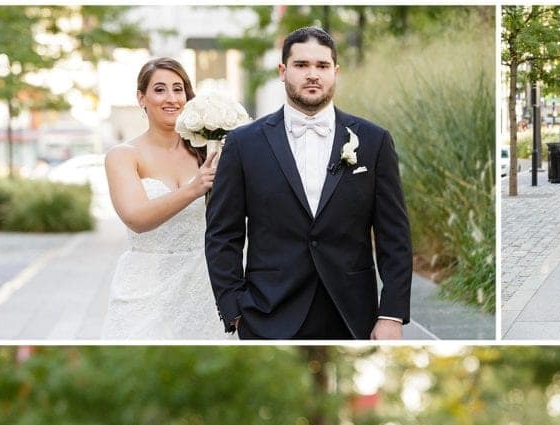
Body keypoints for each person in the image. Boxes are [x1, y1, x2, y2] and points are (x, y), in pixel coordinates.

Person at [205, 26, 412, 341]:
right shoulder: (243, 144)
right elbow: (223, 233)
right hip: (268, 313)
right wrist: (234, 308)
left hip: (353, 316)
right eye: (301, 65)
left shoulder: (374, 141)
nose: (312, 74)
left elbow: (394, 236)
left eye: (322, 66)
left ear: (335, 72)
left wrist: (391, 315)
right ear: (283, 71)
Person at [102, 58, 222, 339]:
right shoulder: (123, 156)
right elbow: (136, 218)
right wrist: (193, 189)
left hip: (203, 283)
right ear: (141, 98)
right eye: (160, 90)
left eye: (178, 89)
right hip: (145, 283)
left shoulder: (208, 152)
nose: (171, 98)